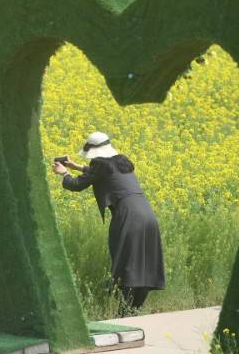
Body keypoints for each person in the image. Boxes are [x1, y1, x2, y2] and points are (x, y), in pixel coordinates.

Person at [53, 132, 165, 315]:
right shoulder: (122, 161)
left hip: (127, 216)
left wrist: (64, 173)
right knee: (145, 266)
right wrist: (76, 166)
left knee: (126, 266)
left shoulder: (99, 165)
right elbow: (106, 175)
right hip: (148, 215)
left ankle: (125, 315)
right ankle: (131, 313)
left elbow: (76, 185)